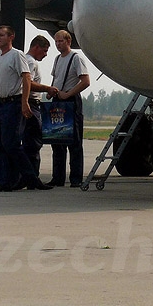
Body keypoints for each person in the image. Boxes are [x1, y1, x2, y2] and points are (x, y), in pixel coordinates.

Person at [0, 25, 51, 192]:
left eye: (1, 35)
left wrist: (24, 102)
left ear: (11, 37)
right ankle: (4, 181)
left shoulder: (17, 55)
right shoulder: (0, 56)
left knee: (11, 144)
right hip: (1, 103)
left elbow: (26, 78)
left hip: (13, 103)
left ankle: (31, 178)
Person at [47, 30, 90, 188]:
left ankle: (76, 178)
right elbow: (56, 78)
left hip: (71, 100)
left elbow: (85, 81)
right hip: (58, 100)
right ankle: (57, 177)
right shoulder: (57, 59)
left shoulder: (76, 58)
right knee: (57, 142)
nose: (58, 44)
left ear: (68, 41)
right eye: (56, 42)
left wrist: (68, 94)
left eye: (61, 41)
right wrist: (51, 91)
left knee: (74, 142)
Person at [23, 35, 58, 179]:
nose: (45, 54)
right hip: (32, 103)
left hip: (27, 103)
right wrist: (47, 88)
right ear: (36, 47)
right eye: (44, 51)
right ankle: (32, 177)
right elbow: (28, 83)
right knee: (34, 142)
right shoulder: (31, 62)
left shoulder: (23, 60)